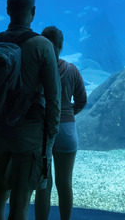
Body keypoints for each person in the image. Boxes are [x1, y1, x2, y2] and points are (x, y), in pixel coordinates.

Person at [0, 0, 61, 220]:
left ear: (7, 10)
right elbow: (53, 96)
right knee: (20, 203)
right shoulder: (42, 45)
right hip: (29, 134)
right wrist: (51, 133)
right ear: (33, 12)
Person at [35, 26, 88, 220]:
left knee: (43, 184)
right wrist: (67, 113)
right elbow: (82, 101)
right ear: (61, 46)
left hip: (42, 131)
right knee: (65, 183)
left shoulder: (37, 71)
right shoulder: (72, 69)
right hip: (67, 130)